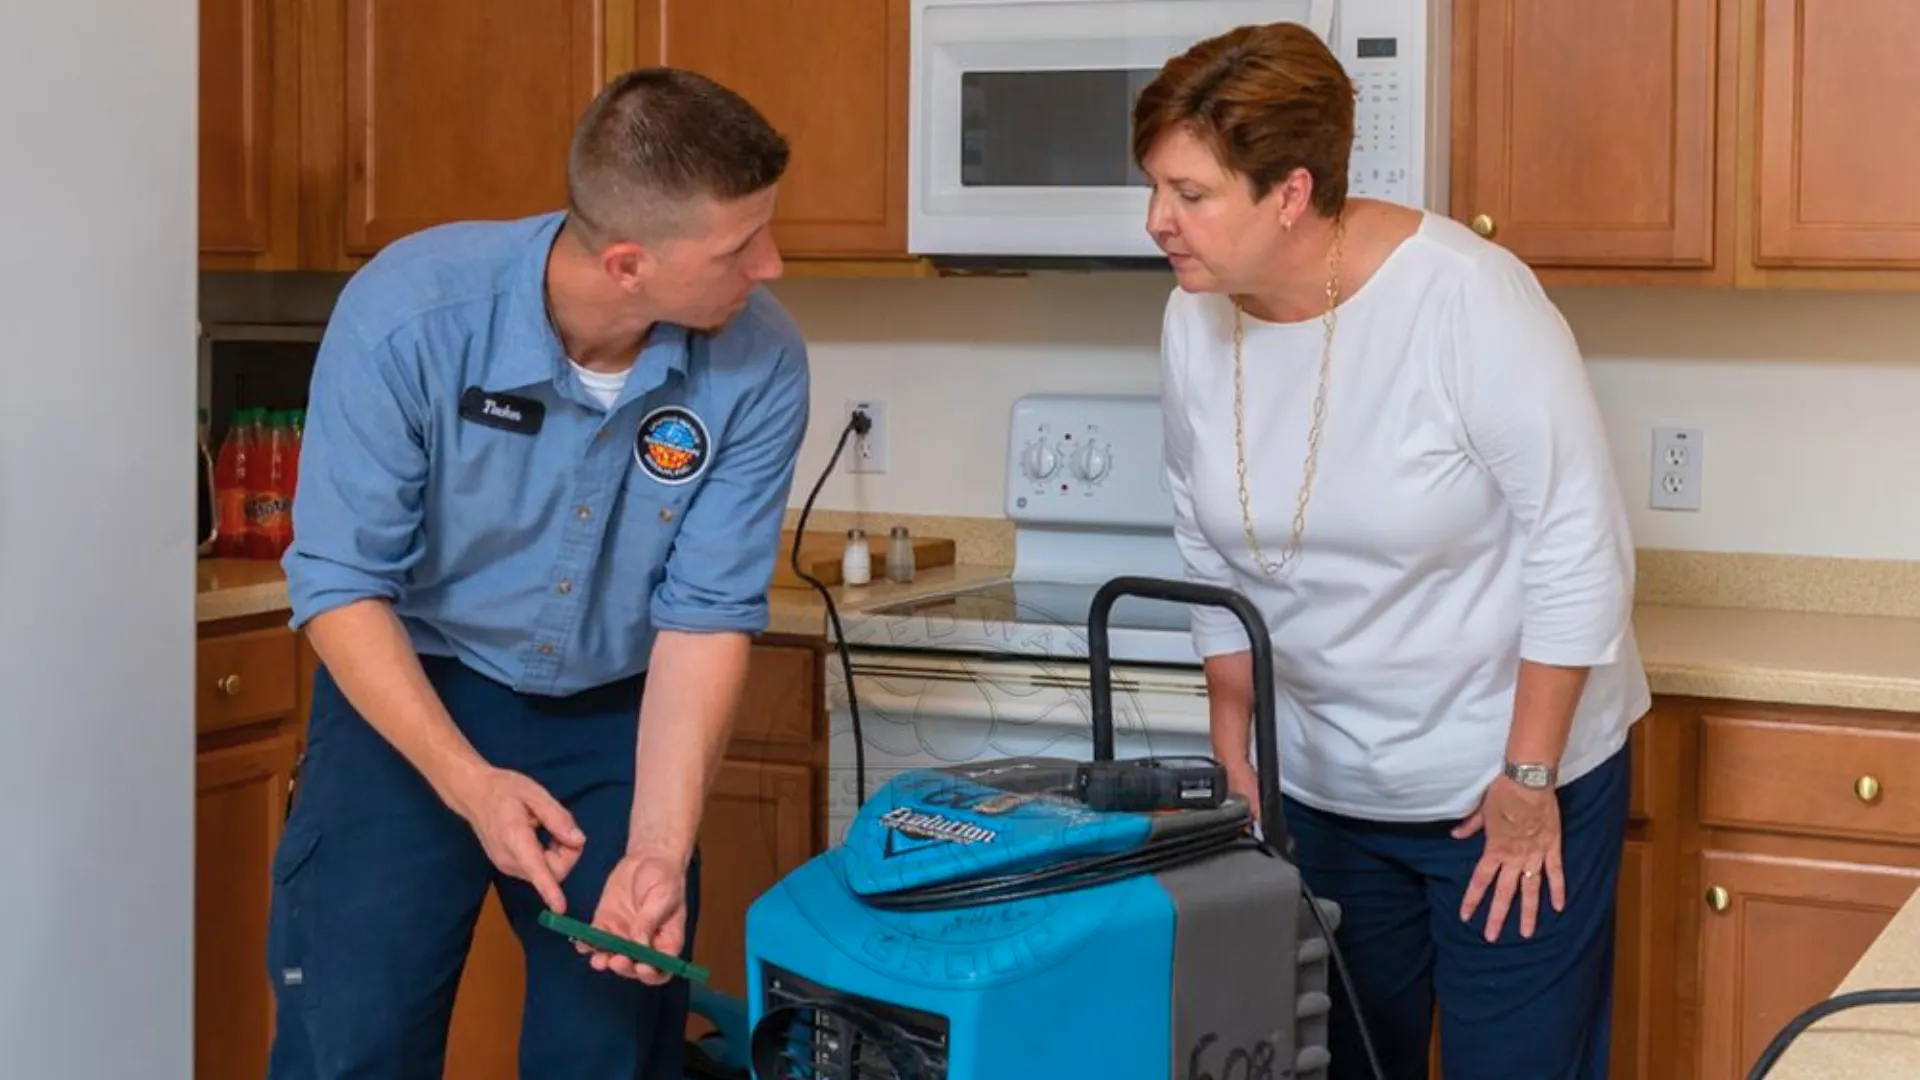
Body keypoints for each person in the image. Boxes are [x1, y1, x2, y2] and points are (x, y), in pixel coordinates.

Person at [1132, 22, 1652, 1080]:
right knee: (1345, 1063)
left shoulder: (1465, 299)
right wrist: (1234, 728)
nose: (1159, 223)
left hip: (1502, 786)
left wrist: (1526, 776)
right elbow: (1202, 533)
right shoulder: (1194, 323)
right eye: (1153, 188)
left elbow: (1577, 541)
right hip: (1327, 791)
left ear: (1290, 192)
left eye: (1191, 195)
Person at [266, 67, 808, 1079]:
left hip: (616, 722)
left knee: (603, 1048)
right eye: (741, 247)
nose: (771, 266)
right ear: (627, 264)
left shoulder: (759, 365)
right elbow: (339, 585)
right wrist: (469, 783)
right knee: (353, 1040)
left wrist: (656, 846)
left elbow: (705, 615)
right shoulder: (409, 314)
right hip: (410, 703)